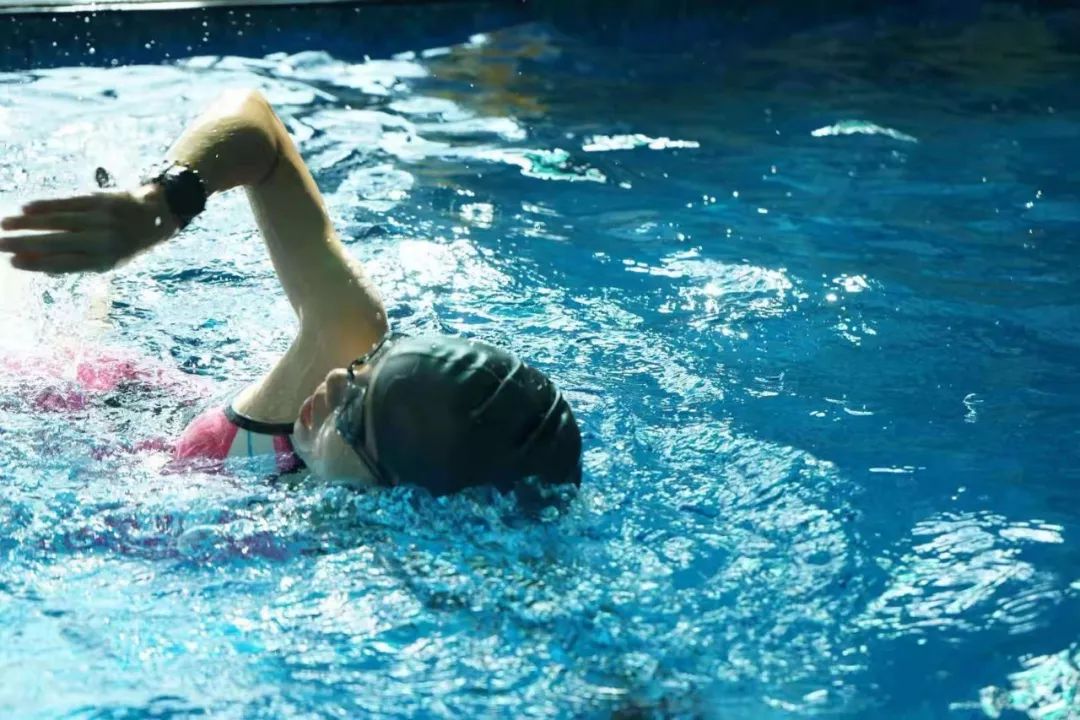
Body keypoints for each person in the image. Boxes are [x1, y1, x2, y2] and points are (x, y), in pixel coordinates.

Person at [0, 89, 582, 498]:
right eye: (362, 369)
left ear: (398, 487)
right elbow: (255, 121)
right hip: (57, 394)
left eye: (355, 412)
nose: (333, 383)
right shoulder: (341, 347)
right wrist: (160, 204)